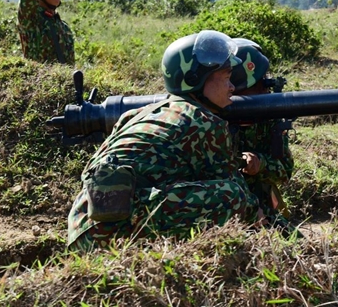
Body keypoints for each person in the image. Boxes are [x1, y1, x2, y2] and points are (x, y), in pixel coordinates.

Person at [66, 30, 266, 250]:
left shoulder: (139, 114)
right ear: (195, 80)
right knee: (233, 196)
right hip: (112, 235)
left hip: (82, 227)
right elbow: (242, 199)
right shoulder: (204, 121)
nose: (232, 87)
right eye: (227, 77)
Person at [230, 38, 294, 219]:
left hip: (261, 201)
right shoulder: (211, 119)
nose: (265, 89)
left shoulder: (269, 120)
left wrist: (260, 163)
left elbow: (285, 171)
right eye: (259, 83)